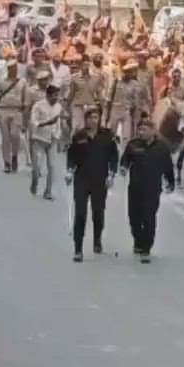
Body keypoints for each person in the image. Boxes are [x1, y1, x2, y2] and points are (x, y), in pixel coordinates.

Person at [120, 119, 176, 263]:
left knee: (149, 218)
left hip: (152, 189)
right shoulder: (133, 145)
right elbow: (125, 159)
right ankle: (138, 241)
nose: (141, 132)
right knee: (134, 218)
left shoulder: (162, 148)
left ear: (153, 130)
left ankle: (146, 248)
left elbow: (168, 167)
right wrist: (123, 167)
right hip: (134, 188)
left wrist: (171, 182)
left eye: (144, 129)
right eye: (140, 129)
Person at [66, 107, 119, 261]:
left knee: (98, 212)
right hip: (81, 179)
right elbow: (71, 156)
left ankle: (97, 239)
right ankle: (78, 249)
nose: (93, 120)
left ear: (99, 119)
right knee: (80, 214)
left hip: (99, 179)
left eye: (96, 117)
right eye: (90, 117)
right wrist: (69, 171)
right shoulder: (79, 136)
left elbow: (113, 157)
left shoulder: (107, 136)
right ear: (86, 119)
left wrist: (111, 174)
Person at [29, 84, 63, 200]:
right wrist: (47, 123)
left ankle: (48, 191)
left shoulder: (58, 107)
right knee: (37, 167)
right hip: (39, 139)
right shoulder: (38, 106)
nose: (56, 98)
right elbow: (34, 122)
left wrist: (58, 136)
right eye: (54, 95)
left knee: (52, 167)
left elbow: (58, 123)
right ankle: (34, 183)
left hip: (52, 140)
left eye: (58, 95)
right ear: (48, 95)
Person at [0, 61, 27, 173]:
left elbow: (25, 98)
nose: (14, 70)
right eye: (11, 68)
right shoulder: (1, 81)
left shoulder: (22, 82)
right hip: (3, 109)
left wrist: (25, 114)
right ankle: (7, 162)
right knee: (5, 137)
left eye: (15, 68)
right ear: (8, 69)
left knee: (15, 135)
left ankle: (14, 156)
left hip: (17, 110)